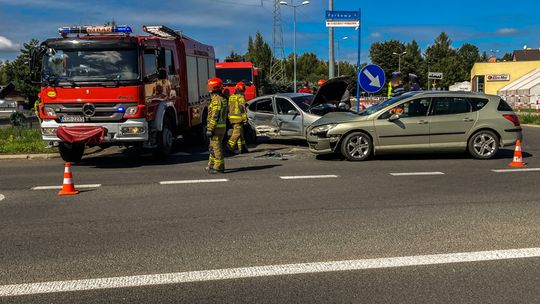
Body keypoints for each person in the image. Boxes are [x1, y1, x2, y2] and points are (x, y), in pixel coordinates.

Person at [205, 77, 228, 174]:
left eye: (209, 86)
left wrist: (210, 129)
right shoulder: (221, 98)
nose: (208, 88)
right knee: (212, 147)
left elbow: (215, 115)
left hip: (216, 128)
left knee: (217, 148)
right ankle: (211, 165)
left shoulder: (216, 99)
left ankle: (219, 167)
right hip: (221, 127)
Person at [226, 81, 249, 154]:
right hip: (238, 118)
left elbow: (229, 107)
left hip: (232, 118)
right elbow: (242, 109)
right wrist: (245, 120)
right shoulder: (240, 97)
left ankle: (243, 148)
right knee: (237, 133)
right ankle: (229, 147)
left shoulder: (231, 97)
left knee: (240, 133)